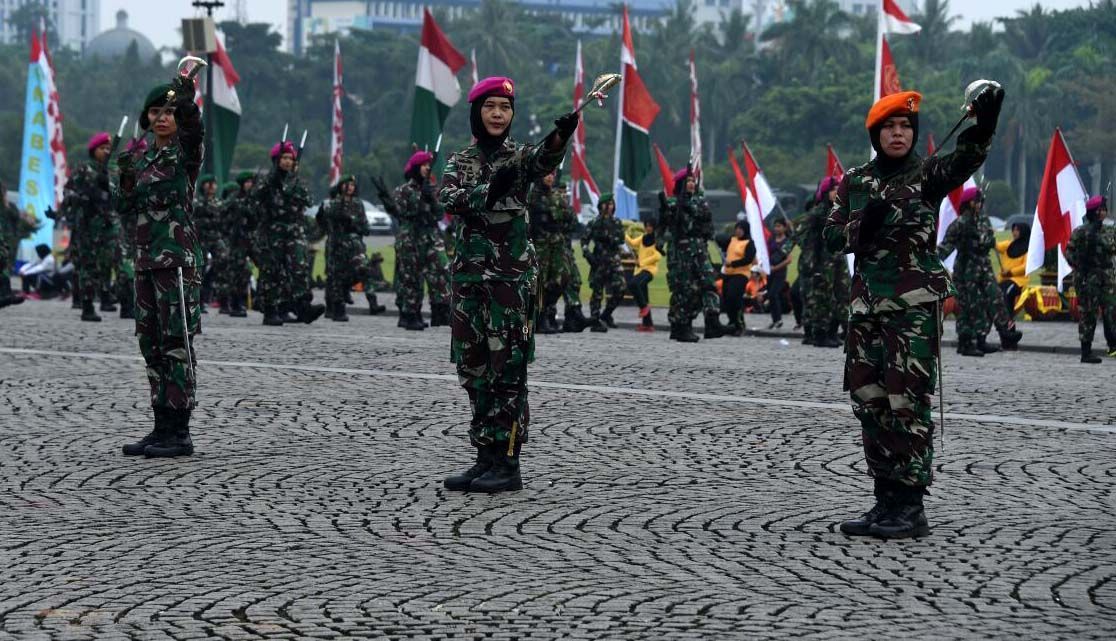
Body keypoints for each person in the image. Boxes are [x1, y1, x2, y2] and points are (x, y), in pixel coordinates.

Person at [824, 85, 1001, 538]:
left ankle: (911, 506)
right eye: (890, 127)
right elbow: (829, 238)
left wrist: (985, 123)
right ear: (876, 134)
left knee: (908, 401)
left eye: (906, 127)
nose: (898, 134)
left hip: (913, 304)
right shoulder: (856, 182)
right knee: (870, 400)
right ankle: (885, 500)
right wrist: (866, 225)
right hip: (866, 306)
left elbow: (967, 160)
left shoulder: (928, 175)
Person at [438, 76, 576, 493]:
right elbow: (449, 199)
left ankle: (509, 462)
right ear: (477, 112)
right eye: (490, 106)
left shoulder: (520, 157)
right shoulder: (459, 160)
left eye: (505, 107)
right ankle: (485, 456)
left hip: (510, 281)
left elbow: (543, 161)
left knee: (508, 372)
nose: (498, 114)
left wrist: (560, 136)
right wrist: (487, 189)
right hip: (468, 279)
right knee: (474, 368)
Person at [116, 77, 206, 458]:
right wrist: (123, 180)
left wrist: (186, 101)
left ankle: (180, 431)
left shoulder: (184, 154)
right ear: (146, 118)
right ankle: (160, 426)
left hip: (177, 263)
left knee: (176, 344)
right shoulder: (140, 159)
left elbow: (194, 130)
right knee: (149, 343)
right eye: (157, 112)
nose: (163, 118)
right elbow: (125, 210)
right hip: (145, 262)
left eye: (169, 112)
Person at [938, 187, 1022, 356]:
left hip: (984, 267)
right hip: (967, 271)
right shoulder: (960, 223)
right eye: (978, 201)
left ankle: (999, 333)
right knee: (968, 306)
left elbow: (990, 239)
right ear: (970, 203)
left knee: (994, 298)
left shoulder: (983, 220)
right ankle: (966, 342)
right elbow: (945, 247)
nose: (980, 205)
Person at [255, 141, 325, 326]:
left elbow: (308, 200)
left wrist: (292, 181)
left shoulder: (297, 181)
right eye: (284, 158)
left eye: (290, 158)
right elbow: (255, 198)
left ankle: (303, 307)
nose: (287, 161)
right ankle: (271, 310)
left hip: (294, 231)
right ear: (276, 160)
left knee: (299, 269)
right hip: (273, 233)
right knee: (273, 272)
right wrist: (273, 182)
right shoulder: (268, 181)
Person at [659, 168, 727, 342]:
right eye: (688, 181)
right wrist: (667, 211)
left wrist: (687, 206)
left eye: (693, 181)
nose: (691, 184)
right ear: (681, 184)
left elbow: (706, 222)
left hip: (700, 250)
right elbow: (664, 227)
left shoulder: (699, 202)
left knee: (709, 284)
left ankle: (713, 321)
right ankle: (681, 326)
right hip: (682, 252)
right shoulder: (673, 203)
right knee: (686, 291)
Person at [64, 132, 121, 321]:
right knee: (88, 266)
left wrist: (108, 188)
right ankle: (87, 305)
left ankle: (106, 297)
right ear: (93, 150)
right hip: (88, 225)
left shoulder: (112, 171)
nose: (105, 152)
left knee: (106, 264)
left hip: (108, 226)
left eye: (108, 149)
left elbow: (120, 196)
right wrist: (82, 196)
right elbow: (68, 191)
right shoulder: (83, 169)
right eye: (102, 148)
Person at [318, 175, 386, 322]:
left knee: (365, 270)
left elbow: (365, 226)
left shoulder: (358, 204)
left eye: (352, 185)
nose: (350, 187)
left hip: (355, 246)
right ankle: (335, 308)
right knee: (335, 276)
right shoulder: (334, 203)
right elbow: (327, 221)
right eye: (347, 184)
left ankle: (373, 303)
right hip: (337, 245)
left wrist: (356, 225)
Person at [528, 169, 585, 334]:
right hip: (540, 246)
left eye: (552, 174)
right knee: (539, 283)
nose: (550, 177)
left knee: (562, 279)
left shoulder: (556, 197)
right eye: (547, 174)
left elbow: (570, 218)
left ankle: (544, 312)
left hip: (556, 245)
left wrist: (558, 226)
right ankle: (539, 319)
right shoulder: (532, 197)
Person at [1065, 196, 1116, 363]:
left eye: (1104, 210)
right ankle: (1086, 351)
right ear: (1092, 212)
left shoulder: (1109, 231)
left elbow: (1111, 248)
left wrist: (1097, 239)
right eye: (1099, 210)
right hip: (1087, 277)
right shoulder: (1080, 231)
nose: (1102, 213)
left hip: (1106, 276)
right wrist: (1080, 262)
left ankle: (1113, 345)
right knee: (1089, 313)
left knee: (1111, 310)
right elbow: (1069, 253)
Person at [581, 191, 626, 332]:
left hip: (613, 260)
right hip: (599, 261)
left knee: (621, 288)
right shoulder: (594, 223)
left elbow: (621, 239)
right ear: (601, 206)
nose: (609, 207)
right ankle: (595, 320)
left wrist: (613, 239)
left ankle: (606, 314)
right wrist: (589, 256)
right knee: (597, 293)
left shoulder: (616, 222)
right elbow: (584, 242)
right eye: (607, 204)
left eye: (611, 204)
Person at [218, 171, 256, 318]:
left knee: (246, 272)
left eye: (251, 182)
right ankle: (235, 302)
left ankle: (243, 301)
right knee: (237, 272)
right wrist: (228, 229)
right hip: (236, 241)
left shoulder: (253, 199)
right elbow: (222, 212)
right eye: (247, 182)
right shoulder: (234, 199)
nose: (249, 185)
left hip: (250, 240)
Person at [192, 174, 227, 314]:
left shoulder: (219, 202)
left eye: (214, 183)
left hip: (216, 237)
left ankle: (223, 299)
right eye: (208, 183)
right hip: (201, 238)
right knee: (200, 267)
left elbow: (222, 218)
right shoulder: (198, 202)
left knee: (224, 260)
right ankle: (199, 300)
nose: (212, 186)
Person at [625, 218, 663, 332]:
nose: (648, 228)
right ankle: (648, 324)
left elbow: (657, 256)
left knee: (633, 284)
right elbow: (632, 243)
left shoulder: (657, 240)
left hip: (649, 270)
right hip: (640, 270)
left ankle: (643, 307)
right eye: (646, 225)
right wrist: (623, 234)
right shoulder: (643, 238)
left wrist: (642, 262)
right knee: (644, 294)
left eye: (650, 226)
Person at [720, 220, 756, 336]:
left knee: (734, 296)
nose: (738, 231)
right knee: (726, 298)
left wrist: (733, 263)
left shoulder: (749, 243)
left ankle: (740, 323)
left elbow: (748, 259)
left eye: (741, 229)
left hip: (741, 274)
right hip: (728, 273)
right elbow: (719, 239)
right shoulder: (732, 240)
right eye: (737, 228)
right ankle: (732, 321)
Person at [1, 180, 29, 307]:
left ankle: (6, 294)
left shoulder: (10, 206)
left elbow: (16, 217)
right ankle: (5, 295)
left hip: (7, 239)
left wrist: (7, 205)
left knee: (5, 264)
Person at [766, 217, 795, 330]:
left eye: (779, 226)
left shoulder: (787, 241)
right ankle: (774, 319)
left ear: (784, 227)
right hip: (770, 271)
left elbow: (789, 260)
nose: (777, 228)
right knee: (770, 295)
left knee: (774, 293)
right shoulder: (771, 240)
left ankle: (778, 319)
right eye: (775, 226)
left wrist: (776, 267)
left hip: (780, 272)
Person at [995, 222, 1029, 317]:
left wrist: (1010, 272)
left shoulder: (1028, 248)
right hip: (1004, 279)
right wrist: (989, 235)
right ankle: (1003, 318)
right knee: (997, 293)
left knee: (1007, 293)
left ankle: (1008, 318)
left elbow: (1025, 267)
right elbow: (996, 246)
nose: (1014, 232)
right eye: (1013, 230)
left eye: (1017, 230)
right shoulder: (1008, 244)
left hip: (1019, 281)